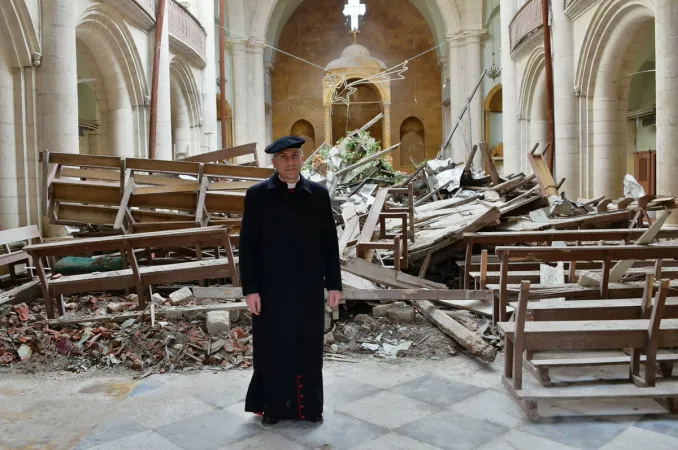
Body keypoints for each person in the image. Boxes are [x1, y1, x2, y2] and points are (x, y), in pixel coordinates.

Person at [240, 135, 342, 425]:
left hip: (309, 288)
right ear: (273, 162)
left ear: (302, 159)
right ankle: (274, 408)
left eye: (295, 156)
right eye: (283, 157)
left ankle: (310, 409)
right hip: (270, 290)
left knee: (308, 347)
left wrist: (333, 284)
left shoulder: (319, 194)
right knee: (273, 347)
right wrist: (251, 290)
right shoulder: (258, 195)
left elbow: (329, 243)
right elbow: (248, 247)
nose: (290, 162)